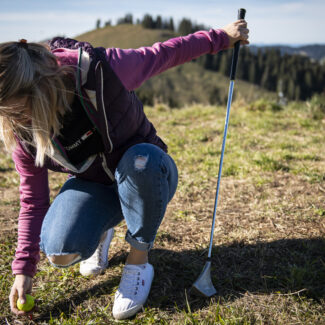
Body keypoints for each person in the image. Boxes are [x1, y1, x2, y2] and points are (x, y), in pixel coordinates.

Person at [1, 19, 249, 320]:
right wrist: (23, 271)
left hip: (147, 171)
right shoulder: (20, 131)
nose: (13, 123)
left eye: (15, 112)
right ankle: (103, 230)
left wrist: (221, 37)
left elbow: (165, 53)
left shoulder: (99, 70)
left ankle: (138, 261)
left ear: (36, 90)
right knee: (59, 250)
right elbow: (32, 201)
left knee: (140, 162)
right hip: (94, 185)